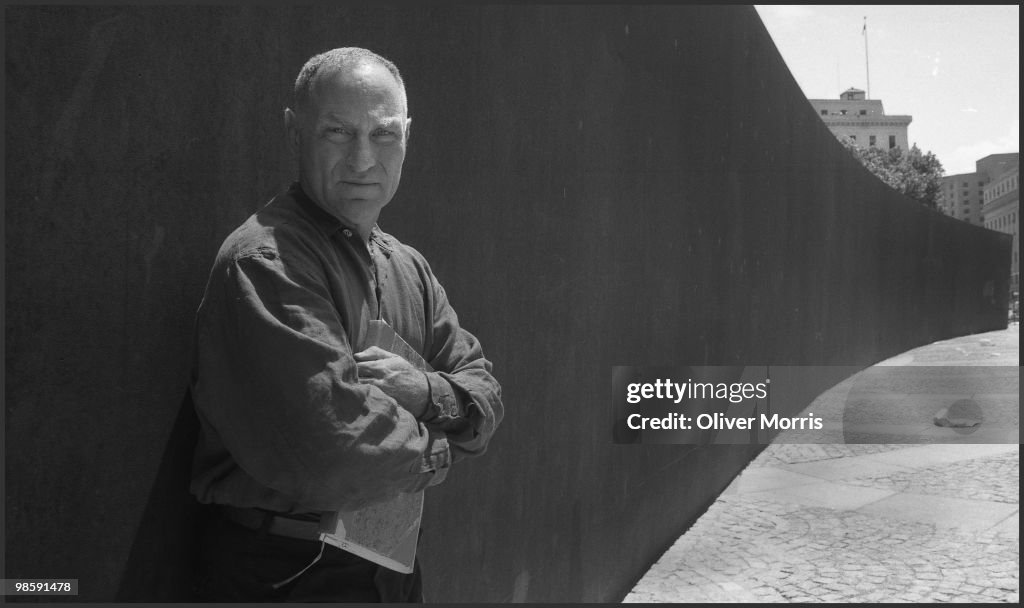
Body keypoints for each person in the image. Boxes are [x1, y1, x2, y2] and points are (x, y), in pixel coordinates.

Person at [188, 47, 503, 602]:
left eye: (383, 135)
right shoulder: (267, 262)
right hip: (286, 573)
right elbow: (335, 455)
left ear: (407, 136)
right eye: (338, 131)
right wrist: (444, 447)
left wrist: (426, 390)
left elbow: (484, 391)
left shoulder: (409, 267)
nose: (363, 160)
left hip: (390, 566)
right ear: (295, 133)